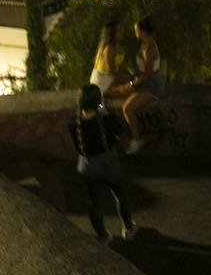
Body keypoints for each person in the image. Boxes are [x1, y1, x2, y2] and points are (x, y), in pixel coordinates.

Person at [69, 84, 139, 244]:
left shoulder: (73, 123)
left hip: (86, 165)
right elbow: (122, 134)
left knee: (94, 202)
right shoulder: (106, 119)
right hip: (108, 162)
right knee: (120, 194)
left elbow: (77, 146)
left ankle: (103, 236)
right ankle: (128, 229)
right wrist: (106, 113)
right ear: (98, 102)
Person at [122, 16, 165, 155]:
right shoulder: (145, 44)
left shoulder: (149, 48)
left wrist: (133, 83)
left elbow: (148, 73)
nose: (135, 32)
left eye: (136, 30)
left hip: (153, 85)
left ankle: (136, 140)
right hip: (147, 82)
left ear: (143, 32)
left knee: (127, 108)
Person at [89, 20, 129, 96]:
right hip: (102, 82)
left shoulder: (116, 46)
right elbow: (110, 70)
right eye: (119, 30)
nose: (122, 32)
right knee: (131, 89)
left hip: (109, 79)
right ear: (112, 33)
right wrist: (125, 78)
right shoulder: (109, 48)